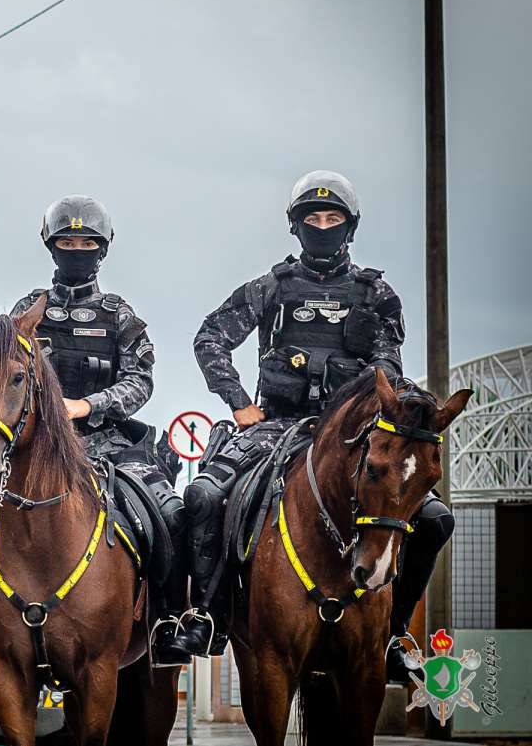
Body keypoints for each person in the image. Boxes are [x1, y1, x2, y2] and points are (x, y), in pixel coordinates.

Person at [153, 171, 454, 682]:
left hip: (354, 436)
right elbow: (210, 337)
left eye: (331, 218)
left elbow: (390, 371)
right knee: (202, 497)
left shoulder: (377, 294)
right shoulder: (269, 288)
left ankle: (396, 632)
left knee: (435, 520)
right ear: (296, 227)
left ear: (349, 227)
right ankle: (207, 613)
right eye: (311, 219)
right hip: (276, 427)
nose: (322, 226)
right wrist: (238, 402)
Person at [0, 196, 187, 690]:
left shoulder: (119, 316)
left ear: (101, 251)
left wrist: (88, 407)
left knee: (172, 513)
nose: (76, 250)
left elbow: (141, 382)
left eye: (86, 243)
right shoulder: (23, 315)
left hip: (108, 444)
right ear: (51, 247)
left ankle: (167, 623)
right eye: (66, 243)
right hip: (32, 452)